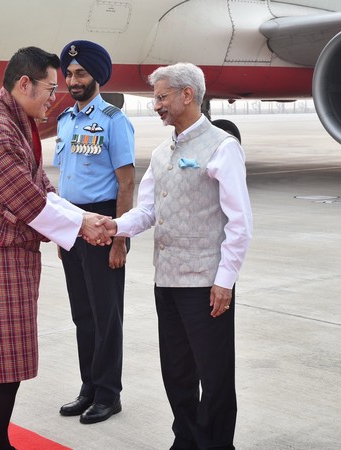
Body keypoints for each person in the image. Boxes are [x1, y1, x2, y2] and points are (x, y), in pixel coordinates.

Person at [0, 46, 111, 450]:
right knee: (3, 362)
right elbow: (25, 200)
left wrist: (80, 218)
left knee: (9, 359)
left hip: (13, 257)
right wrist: (83, 225)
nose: (53, 97)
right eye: (49, 88)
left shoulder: (16, 122)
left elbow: (42, 186)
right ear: (24, 83)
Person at [96, 63, 253, 449]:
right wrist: (115, 227)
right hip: (166, 280)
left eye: (161, 97)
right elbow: (148, 210)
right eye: (155, 98)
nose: (156, 106)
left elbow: (240, 223)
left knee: (214, 376)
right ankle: (185, 438)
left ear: (187, 95)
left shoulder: (222, 146)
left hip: (205, 284)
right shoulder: (163, 151)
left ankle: (216, 443)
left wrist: (225, 280)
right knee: (177, 372)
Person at [54, 40, 135, 424]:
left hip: (103, 224)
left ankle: (108, 393)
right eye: (69, 74)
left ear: (96, 77)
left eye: (80, 73)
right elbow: (65, 181)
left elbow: (126, 183)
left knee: (107, 315)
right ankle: (88, 387)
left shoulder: (114, 121)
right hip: (72, 225)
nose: (73, 80)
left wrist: (121, 239)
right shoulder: (65, 121)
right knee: (82, 314)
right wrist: (62, 232)